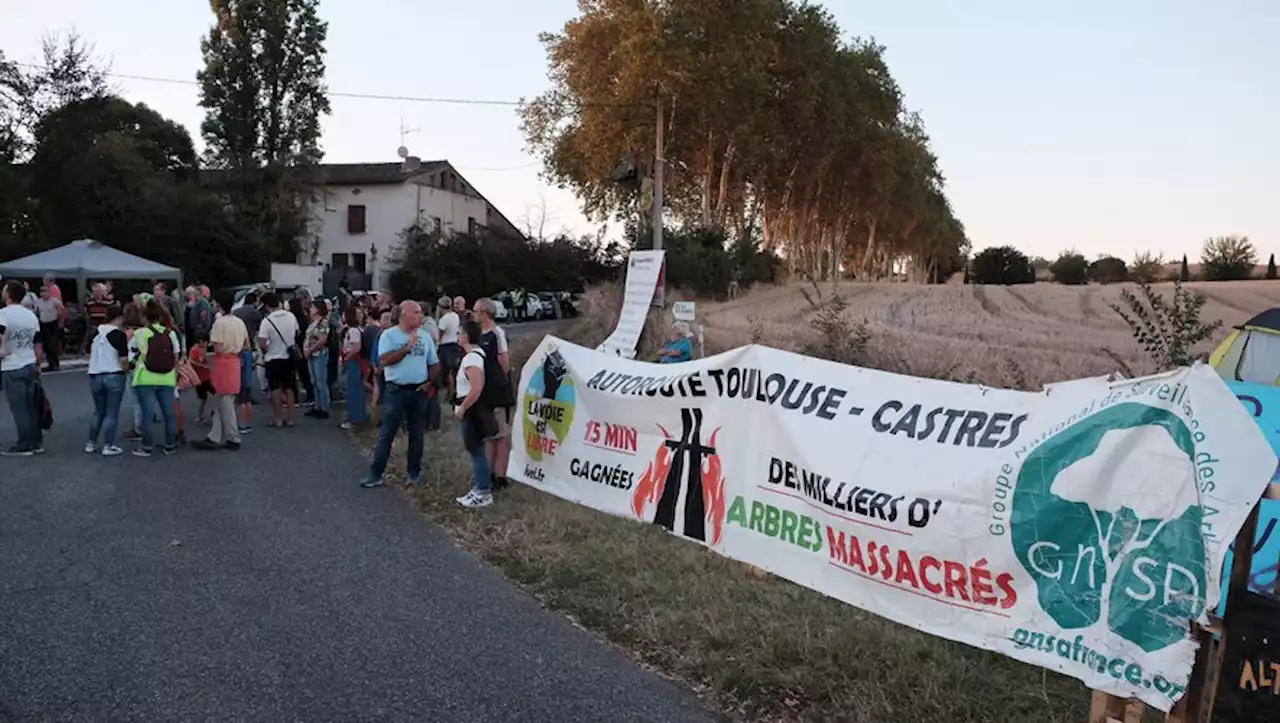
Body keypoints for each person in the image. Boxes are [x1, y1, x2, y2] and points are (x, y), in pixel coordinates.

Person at [360, 300, 439, 489]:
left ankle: (414, 474)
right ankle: (375, 474)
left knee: (417, 434)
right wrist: (406, 348)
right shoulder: (389, 335)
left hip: (418, 391)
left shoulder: (425, 336)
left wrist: (429, 382)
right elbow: (384, 360)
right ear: (404, 314)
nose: (420, 316)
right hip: (396, 390)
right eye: (416, 313)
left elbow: (434, 363)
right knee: (387, 433)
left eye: (421, 313)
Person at [194, 291, 248, 451]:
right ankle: (214, 435)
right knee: (224, 400)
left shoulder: (219, 323)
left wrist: (208, 356)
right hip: (235, 361)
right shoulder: (239, 322)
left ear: (218, 304)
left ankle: (233, 437)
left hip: (223, 363)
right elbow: (246, 344)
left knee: (225, 400)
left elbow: (217, 347)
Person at [453, 320, 496, 509]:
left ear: (466, 336)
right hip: (471, 408)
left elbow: (476, 387)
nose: (457, 336)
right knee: (475, 449)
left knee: (476, 450)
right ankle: (479, 488)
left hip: (471, 410)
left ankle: (483, 491)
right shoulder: (474, 356)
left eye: (459, 333)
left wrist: (463, 408)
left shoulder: (472, 359)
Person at [132, 300, 183, 457]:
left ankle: (146, 446)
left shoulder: (141, 333)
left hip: (145, 377)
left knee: (147, 413)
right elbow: (176, 357)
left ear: (145, 317)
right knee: (168, 412)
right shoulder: (171, 334)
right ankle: (170, 444)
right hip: (167, 378)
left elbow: (133, 352)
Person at [0, 280, 45, 456]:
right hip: (30, 362)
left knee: (19, 407)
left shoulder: (3, 314)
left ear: (8, 295)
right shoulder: (30, 316)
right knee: (31, 405)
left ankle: (24, 443)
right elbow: (38, 342)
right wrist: (38, 363)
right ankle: (36, 441)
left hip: (12, 364)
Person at [473, 297, 513, 490]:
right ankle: (488, 471)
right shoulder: (477, 334)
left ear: (486, 313)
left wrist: (500, 384)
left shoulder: (497, 333)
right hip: (482, 391)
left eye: (476, 311)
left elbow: (504, 362)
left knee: (501, 433)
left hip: (497, 391)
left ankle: (501, 474)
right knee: (488, 433)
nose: (473, 315)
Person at [85, 304, 129, 456]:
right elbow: (123, 359)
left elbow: (86, 352)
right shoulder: (119, 334)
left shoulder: (94, 332)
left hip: (95, 374)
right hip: (114, 373)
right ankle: (108, 445)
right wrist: (126, 370)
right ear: (119, 318)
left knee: (98, 411)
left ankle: (91, 443)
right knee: (112, 412)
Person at [258, 292, 300, 428]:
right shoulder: (291, 316)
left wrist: (267, 349)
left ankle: (278, 418)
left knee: (275, 388)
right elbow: (297, 333)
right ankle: (291, 418)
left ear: (266, 305)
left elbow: (262, 343)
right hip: (288, 357)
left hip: (273, 357)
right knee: (289, 388)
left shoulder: (267, 321)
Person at [233, 291, 262, 433]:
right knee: (246, 387)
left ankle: (238, 420)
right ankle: (247, 423)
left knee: (237, 389)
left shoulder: (235, 313)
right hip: (248, 349)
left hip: (235, 350)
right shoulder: (255, 314)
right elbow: (259, 330)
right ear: (254, 301)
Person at [303, 299, 331, 420]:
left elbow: (322, 340)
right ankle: (317, 405)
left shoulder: (322, 323)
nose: (310, 309)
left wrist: (310, 349)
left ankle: (325, 407)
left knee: (321, 381)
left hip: (319, 354)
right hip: (311, 354)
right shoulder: (313, 322)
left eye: (313, 307)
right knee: (314, 380)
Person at [340, 306, 368, 429]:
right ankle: (359, 416)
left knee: (354, 390)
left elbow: (356, 348)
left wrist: (346, 358)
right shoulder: (358, 330)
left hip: (353, 361)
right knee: (357, 389)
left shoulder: (353, 331)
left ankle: (355, 418)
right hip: (356, 361)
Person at [436, 296, 461, 404]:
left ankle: (450, 394)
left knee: (447, 372)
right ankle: (453, 392)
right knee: (453, 370)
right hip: (454, 343)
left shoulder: (444, 319)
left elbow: (439, 334)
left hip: (445, 346)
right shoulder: (455, 316)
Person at [33, 284, 64, 372]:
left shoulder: (55, 301)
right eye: (42, 291)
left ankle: (55, 364)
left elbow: (61, 311)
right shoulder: (38, 302)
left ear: (49, 292)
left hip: (52, 324)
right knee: (45, 345)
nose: (43, 293)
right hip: (43, 324)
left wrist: (60, 324)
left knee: (52, 345)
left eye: (45, 291)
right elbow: (36, 312)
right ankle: (50, 363)